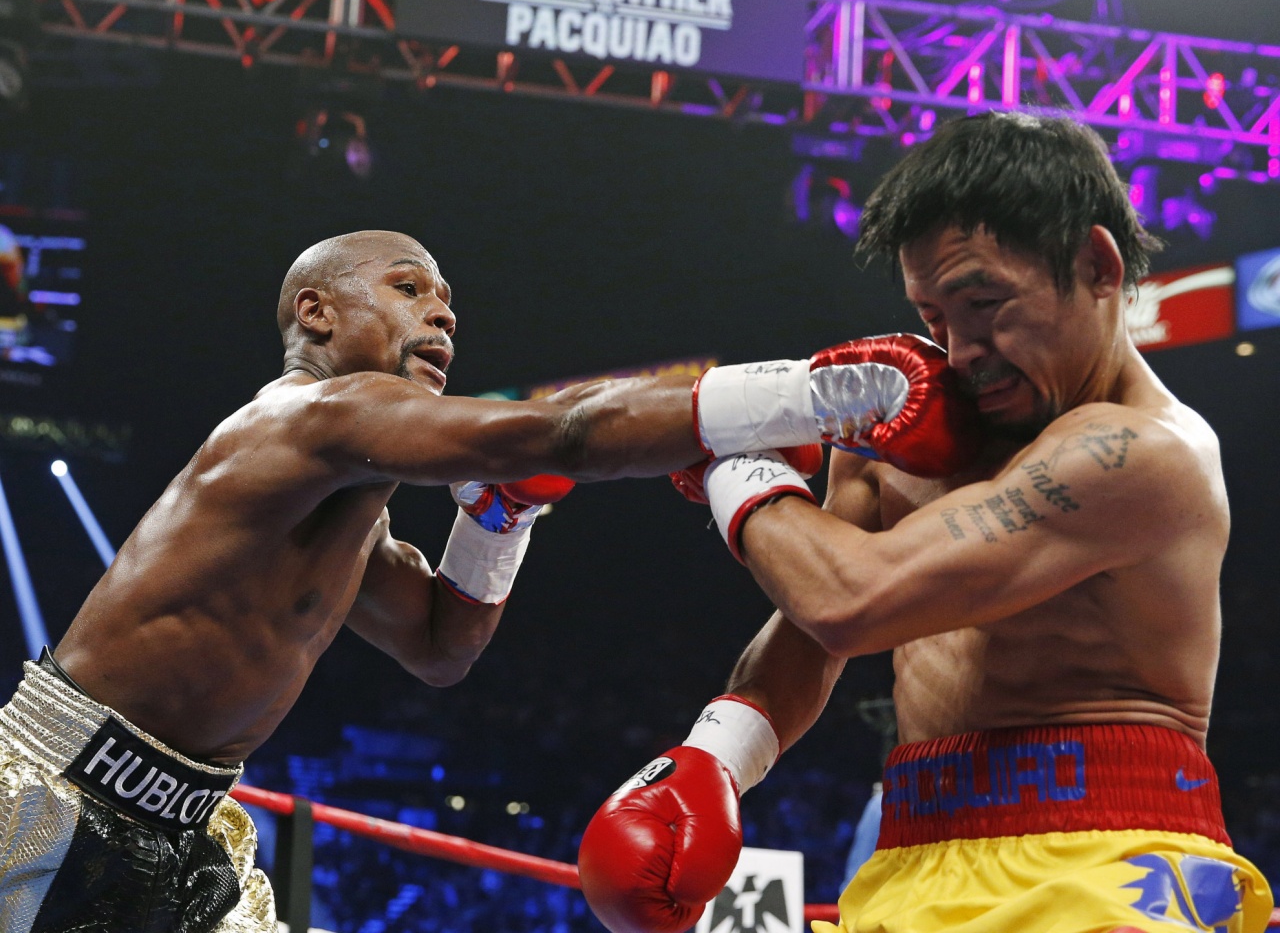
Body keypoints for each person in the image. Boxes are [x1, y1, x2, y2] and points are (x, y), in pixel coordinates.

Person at [0, 229, 978, 932]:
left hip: (186, 821)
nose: (441, 311)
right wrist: (822, 395)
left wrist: (494, 519)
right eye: (408, 288)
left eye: (446, 301)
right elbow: (562, 433)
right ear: (315, 312)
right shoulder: (304, 417)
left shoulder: (345, 505)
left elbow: (440, 647)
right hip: (57, 790)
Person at [578, 112, 1275, 933]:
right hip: (912, 857)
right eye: (934, 315)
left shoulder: (1144, 452)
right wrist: (718, 755)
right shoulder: (900, 433)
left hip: (1110, 861)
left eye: (984, 303)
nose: (962, 348)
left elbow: (849, 599)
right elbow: (812, 622)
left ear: (1096, 265)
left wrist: (732, 464)